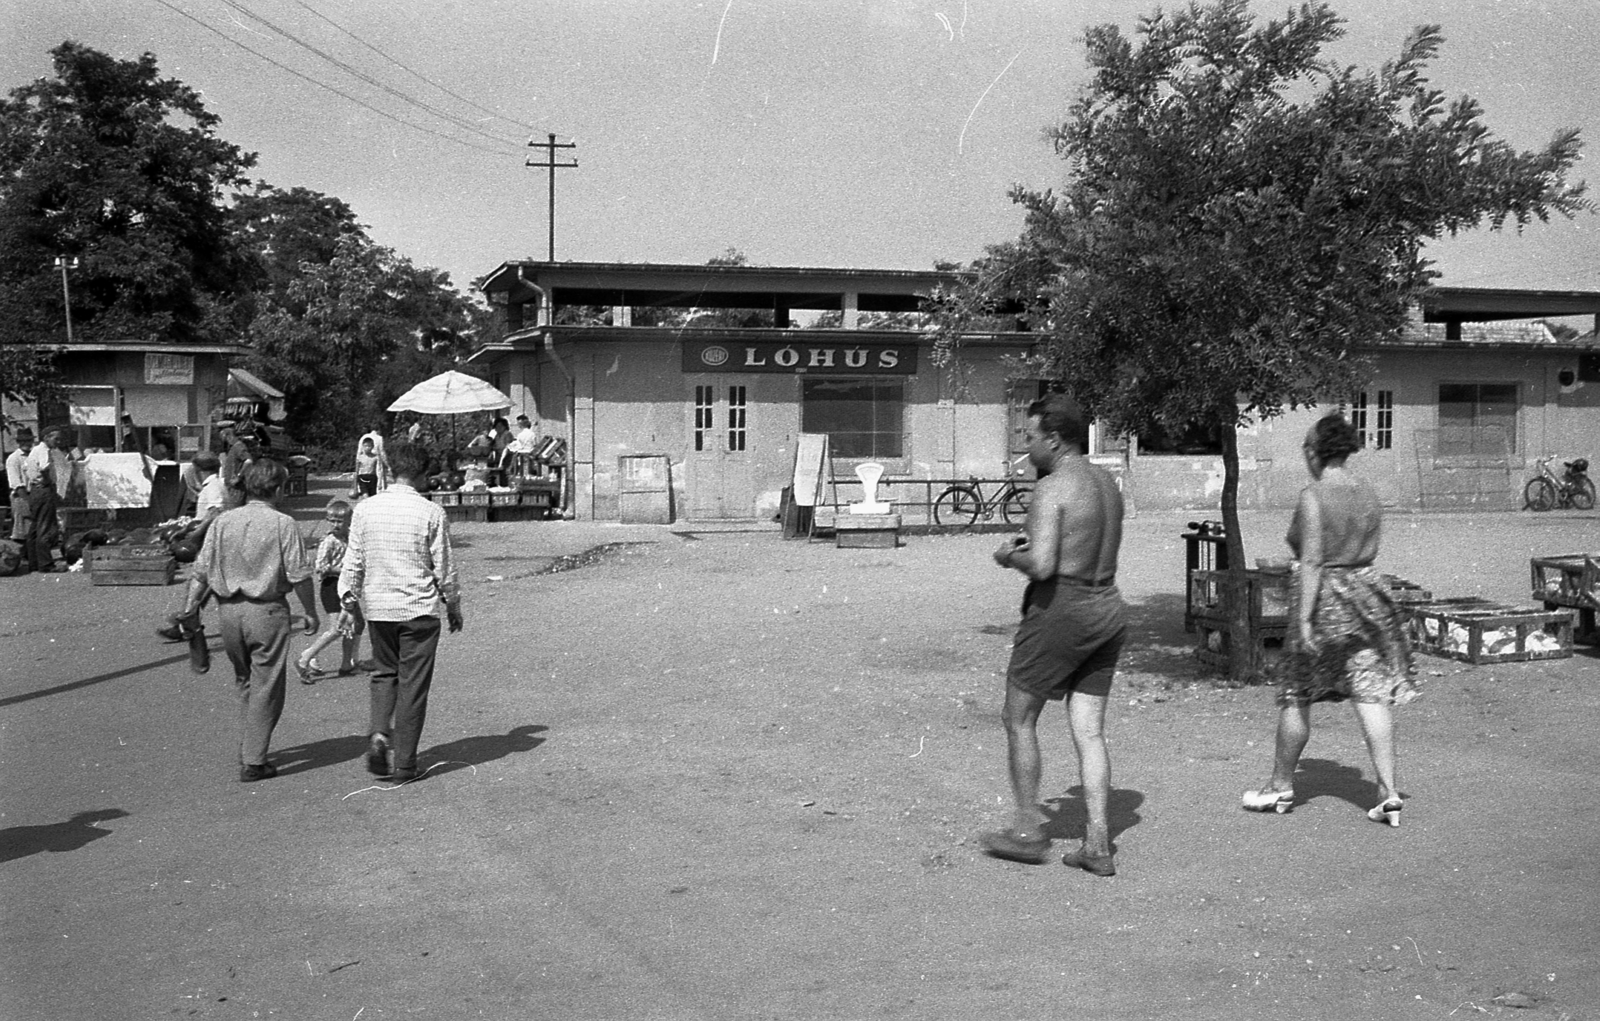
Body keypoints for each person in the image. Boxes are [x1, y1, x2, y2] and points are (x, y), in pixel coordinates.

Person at [1242, 412, 1418, 825]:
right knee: (1370, 693)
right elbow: (1368, 547)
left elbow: (1312, 558)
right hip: (1369, 594)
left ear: (1315, 452)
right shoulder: (1368, 493)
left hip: (1326, 598)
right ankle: (1388, 792)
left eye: (1306, 447)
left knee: (1296, 693)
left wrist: (1303, 620)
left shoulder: (1314, 496)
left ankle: (1280, 786)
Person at [980, 394, 1126, 875]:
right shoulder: (1107, 484)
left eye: (1031, 436)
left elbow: (1042, 564)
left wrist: (1008, 555)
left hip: (1063, 609)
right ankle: (1098, 844)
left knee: (1018, 716)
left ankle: (1025, 830)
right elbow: (1077, 546)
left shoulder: (1053, 488)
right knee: (1089, 731)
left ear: (1055, 440)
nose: (1027, 446)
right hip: (1107, 605)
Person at [177, 459, 319, 781]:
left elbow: (200, 572)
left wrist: (188, 610)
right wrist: (310, 612)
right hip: (266, 612)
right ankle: (254, 761)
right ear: (279, 488)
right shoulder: (284, 524)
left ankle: (248, 744)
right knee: (267, 685)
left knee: (245, 680)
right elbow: (298, 575)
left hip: (228, 614)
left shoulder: (223, 522)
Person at [339, 442, 462, 784]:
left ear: (389, 470)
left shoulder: (365, 510)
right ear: (423, 474)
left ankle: (380, 733)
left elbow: (354, 561)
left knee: (384, 673)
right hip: (419, 610)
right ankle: (405, 764)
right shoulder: (431, 513)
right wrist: (453, 606)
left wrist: (349, 602)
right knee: (413, 685)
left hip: (380, 608)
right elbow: (445, 569)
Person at [295, 499, 366, 682]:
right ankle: (305, 658)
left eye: (339, 521)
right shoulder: (329, 541)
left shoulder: (351, 537)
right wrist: (344, 569)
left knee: (357, 623)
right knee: (337, 628)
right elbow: (320, 567)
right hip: (332, 586)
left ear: (349, 521)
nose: (335, 525)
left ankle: (348, 663)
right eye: (332, 521)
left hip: (348, 586)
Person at [6, 429, 38, 561]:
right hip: (21, 495)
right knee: (20, 527)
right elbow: (16, 482)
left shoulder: (34, 455)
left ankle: (31, 555)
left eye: (28, 440)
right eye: (23, 441)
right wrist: (27, 499)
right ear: (18, 442)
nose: (26, 443)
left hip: (35, 493)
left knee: (32, 526)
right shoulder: (14, 459)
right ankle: (19, 556)